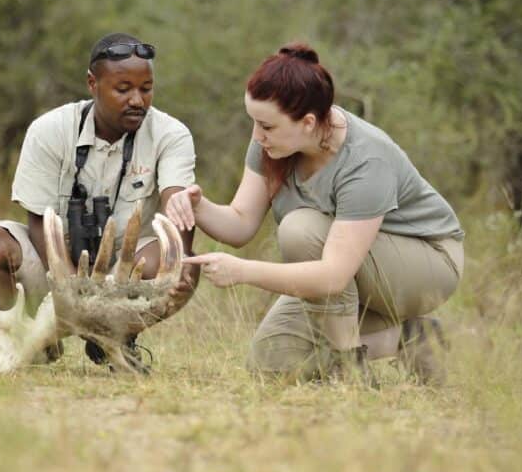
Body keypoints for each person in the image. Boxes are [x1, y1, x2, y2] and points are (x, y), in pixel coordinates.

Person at [169, 43, 464, 382]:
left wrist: (243, 272)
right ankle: (415, 339)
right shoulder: (274, 140)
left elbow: (335, 275)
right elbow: (240, 223)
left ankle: (352, 368)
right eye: (254, 122)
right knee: (271, 363)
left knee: (300, 229)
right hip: (352, 266)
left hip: (425, 265)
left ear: (308, 122)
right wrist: (197, 205)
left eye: (265, 126)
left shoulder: (366, 159)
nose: (256, 135)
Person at [0, 33, 200, 368]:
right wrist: (68, 289)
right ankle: (27, 334)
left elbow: (176, 205)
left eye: (146, 88)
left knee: (180, 262)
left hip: (124, 271)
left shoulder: (171, 134)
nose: (138, 100)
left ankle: (114, 336)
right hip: (52, 263)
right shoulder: (49, 129)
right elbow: (38, 221)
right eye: (123, 89)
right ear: (92, 84)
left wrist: (180, 258)